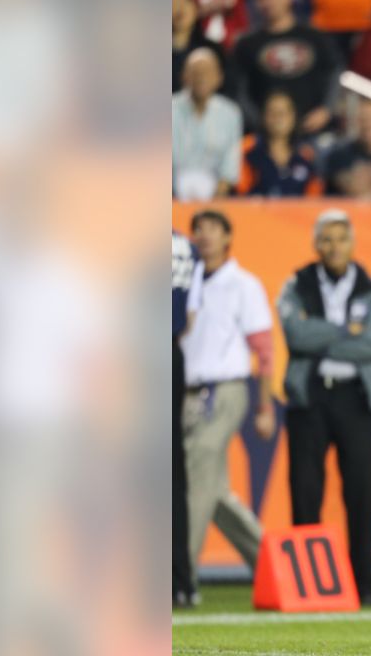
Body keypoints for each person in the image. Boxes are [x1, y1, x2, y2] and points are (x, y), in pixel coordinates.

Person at [278, 209, 371, 608]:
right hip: (309, 395)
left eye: (340, 238)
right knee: (305, 490)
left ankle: (364, 585)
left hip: (355, 396)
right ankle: (307, 586)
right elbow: (295, 335)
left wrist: (320, 336)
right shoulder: (296, 283)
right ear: (315, 244)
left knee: (363, 492)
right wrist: (347, 332)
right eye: (325, 239)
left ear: (352, 243)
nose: (333, 246)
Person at [180, 210, 275, 588]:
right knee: (211, 489)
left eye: (212, 229)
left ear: (228, 236)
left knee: (196, 463)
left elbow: (264, 350)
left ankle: (179, 576)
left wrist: (265, 406)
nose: (203, 236)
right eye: (197, 229)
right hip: (186, 394)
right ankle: (271, 562)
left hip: (227, 389)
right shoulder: (184, 282)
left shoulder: (244, 285)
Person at [233, 0, 340, 134]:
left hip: (312, 128)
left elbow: (334, 73)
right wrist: (258, 121)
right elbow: (239, 89)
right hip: (265, 134)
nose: (268, 2)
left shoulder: (315, 38)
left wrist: (326, 109)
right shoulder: (246, 44)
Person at [172, 231, 205, 607]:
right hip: (169, 354)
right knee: (172, 473)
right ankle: (181, 582)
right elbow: (190, 317)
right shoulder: (186, 248)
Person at [173, 48, 242, 200]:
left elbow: (230, 166)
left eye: (207, 72)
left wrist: (214, 203)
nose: (201, 77)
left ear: (219, 78)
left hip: (215, 195)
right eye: (195, 72)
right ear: (184, 76)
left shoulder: (230, 113)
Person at [238, 91, 322, 197]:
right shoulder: (247, 147)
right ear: (264, 116)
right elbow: (241, 194)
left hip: (297, 213)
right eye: (272, 112)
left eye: (283, 113)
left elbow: (314, 199)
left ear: (293, 117)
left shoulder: (307, 154)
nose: (278, 118)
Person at [173, 0, 229, 94]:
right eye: (174, 4)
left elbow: (226, 87)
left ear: (196, 10)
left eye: (185, 3)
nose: (180, 9)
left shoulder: (213, 49)